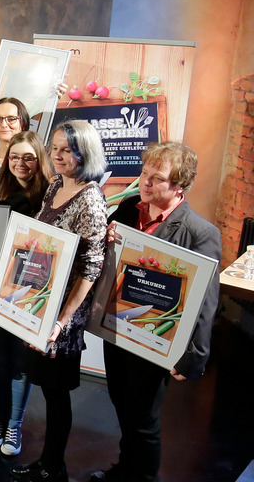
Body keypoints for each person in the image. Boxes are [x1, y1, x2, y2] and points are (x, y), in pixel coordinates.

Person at [92, 143, 220, 482]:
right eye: (144, 174)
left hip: (156, 337)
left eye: (157, 179)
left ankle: (144, 478)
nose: (145, 183)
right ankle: (127, 468)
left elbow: (207, 300)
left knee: (143, 416)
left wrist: (194, 355)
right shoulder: (129, 207)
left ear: (180, 186)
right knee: (121, 402)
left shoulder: (200, 233)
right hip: (116, 325)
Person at [11, 120, 107, 482]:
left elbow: (91, 271)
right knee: (48, 389)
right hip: (41, 303)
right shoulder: (55, 185)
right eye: (55, 148)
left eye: (67, 149)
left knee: (56, 391)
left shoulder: (91, 200)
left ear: (85, 153)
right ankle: (48, 463)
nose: (58, 155)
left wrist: (62, 320)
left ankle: (54, 467)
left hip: (61, 317)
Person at [0, 130, 52, 456]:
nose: (20, 163)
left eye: (28, 157)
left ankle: (14, 427)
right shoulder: (6, 190)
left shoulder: (47, 196)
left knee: (19, 363)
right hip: (1, 288)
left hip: (31, 290)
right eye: (14, 157)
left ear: (39, 159)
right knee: (0, 360)